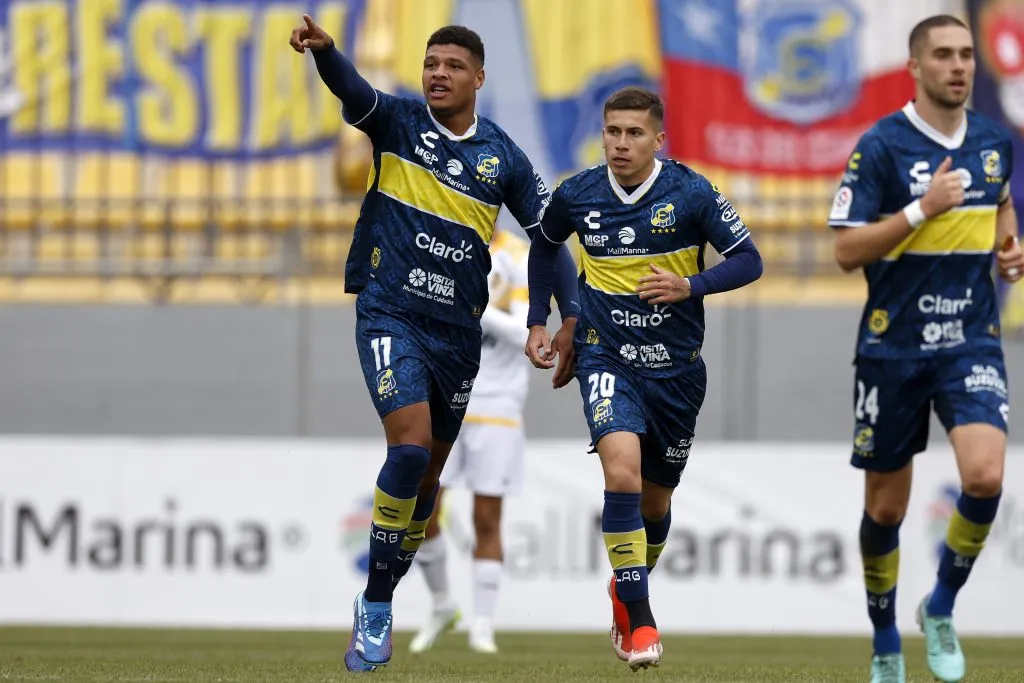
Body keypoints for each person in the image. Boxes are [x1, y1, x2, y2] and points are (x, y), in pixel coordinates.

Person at [289, 16, 580, 672]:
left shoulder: (502, 157)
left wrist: (566, 315)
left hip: (457, 334)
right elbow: (351, 90)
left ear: (479, 77)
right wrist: (328, 52)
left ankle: (386, 593)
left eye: (452, 65)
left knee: (427, 483)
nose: (438, 74)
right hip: (390, 312)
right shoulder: (396, 123)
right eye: (430, 63)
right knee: (411, 445)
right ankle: (375, 604)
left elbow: (550, 236)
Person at [525, 86, 763, 671]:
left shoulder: (690, 192)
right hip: (607, 359)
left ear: (659, 139)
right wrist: (547, 319)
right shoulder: (577, 194)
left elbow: (750, 259)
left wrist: (692, 285)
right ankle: (641, 618)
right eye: (613, 132)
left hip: (677, 372)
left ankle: (623, 588)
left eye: (634, 133)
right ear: (602, 134)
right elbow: (544, 247)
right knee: (621, 471)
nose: (621, 143)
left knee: (655, 503)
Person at [827, 14, 1024, 683]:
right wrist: (921, 210)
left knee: (986, 476)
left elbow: (999, 200)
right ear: (915, 66)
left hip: (970, 340)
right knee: (886, 508)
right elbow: (844, 250)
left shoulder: (995, 141)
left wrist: (1008, 244)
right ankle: (885, 636)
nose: (960, 65)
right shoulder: (881, 147)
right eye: (943, 55)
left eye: (967, 54)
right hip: (892, 348)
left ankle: (938, 606)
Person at [409, 226, 532, 655]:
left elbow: (523, 332)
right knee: (422, 508)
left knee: (486, 517)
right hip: (444, 391)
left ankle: (482, 625)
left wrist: (470, 307)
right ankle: (443, 604)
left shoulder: (518, 255)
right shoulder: (440, 243)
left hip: (497, 402)